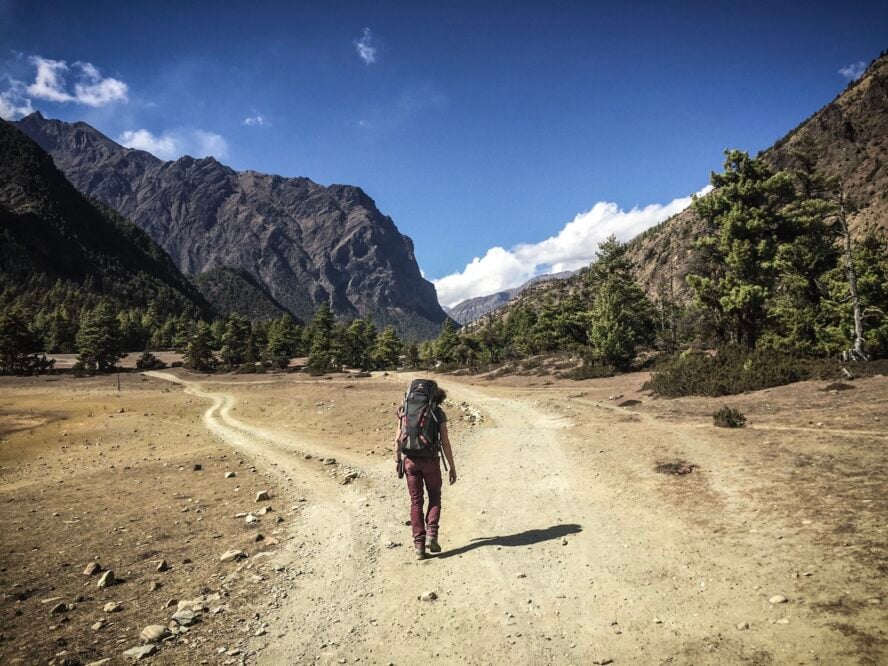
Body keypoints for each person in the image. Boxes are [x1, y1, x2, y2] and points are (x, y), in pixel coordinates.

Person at [394, 384, 457, 560]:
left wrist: (398, 459)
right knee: (435, 496)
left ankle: (419, 547)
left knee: (416, 502)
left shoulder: (404, 410)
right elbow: (445, 442)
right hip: (431, 460)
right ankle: (431, 535)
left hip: (410, 462)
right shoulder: (437, 412)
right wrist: (452, 466)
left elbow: (398, 437)